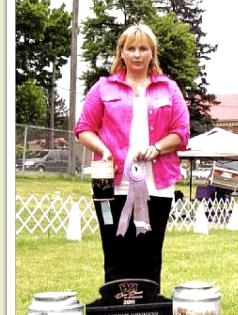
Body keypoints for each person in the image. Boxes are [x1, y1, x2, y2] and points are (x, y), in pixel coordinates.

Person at [75, 23, 190, 289]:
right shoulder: (102, 88)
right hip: (111, 185)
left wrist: (158, 147)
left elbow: (181, 133)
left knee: (150, 256)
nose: (137, 54)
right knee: (114, 253)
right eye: (131, 49)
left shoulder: (169, 89)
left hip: (157, 186)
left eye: (143, 48)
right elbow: (83, 129)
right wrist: (103, 149)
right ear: (122, 53)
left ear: (152, 53)